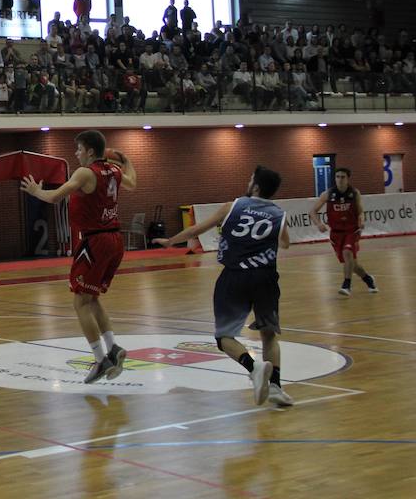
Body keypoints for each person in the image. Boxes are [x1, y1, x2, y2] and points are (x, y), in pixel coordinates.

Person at [155, 166, 294, 407]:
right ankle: (276, 388)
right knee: (269, 335)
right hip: (266, 278)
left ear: (256, 187)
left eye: (251, 179)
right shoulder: (278, 214)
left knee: (224, 337)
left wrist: (170, 241)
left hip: (234, 277)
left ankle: (253, 368)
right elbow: (286, 244)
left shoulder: (233, 206)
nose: (248, 182)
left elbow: (197, 230)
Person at [21, 131, 135, 383]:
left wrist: (34, 191)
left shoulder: (86, 172)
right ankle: (113, 348)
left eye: (79, 149)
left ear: (91, 152)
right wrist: (126, 161)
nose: (76, 154)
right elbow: (133, 183)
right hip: (115, 240)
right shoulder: (115, 171)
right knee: (91, 298)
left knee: (80, 302)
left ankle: (100, 360)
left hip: (95, 240)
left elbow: (54, 197)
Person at [309, 167, 378, 296]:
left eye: (343, 177)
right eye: (338, 177)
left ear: (348, 179)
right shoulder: (328, 194)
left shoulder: (354, 193)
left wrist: (361, 221)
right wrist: (318, 223)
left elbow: (360, 211)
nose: (340, 179)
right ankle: (368, 279)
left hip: (352, 230)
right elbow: (313, 211)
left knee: (347, 253)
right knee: (351, 263)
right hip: (336, 233)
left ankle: (346, 285)